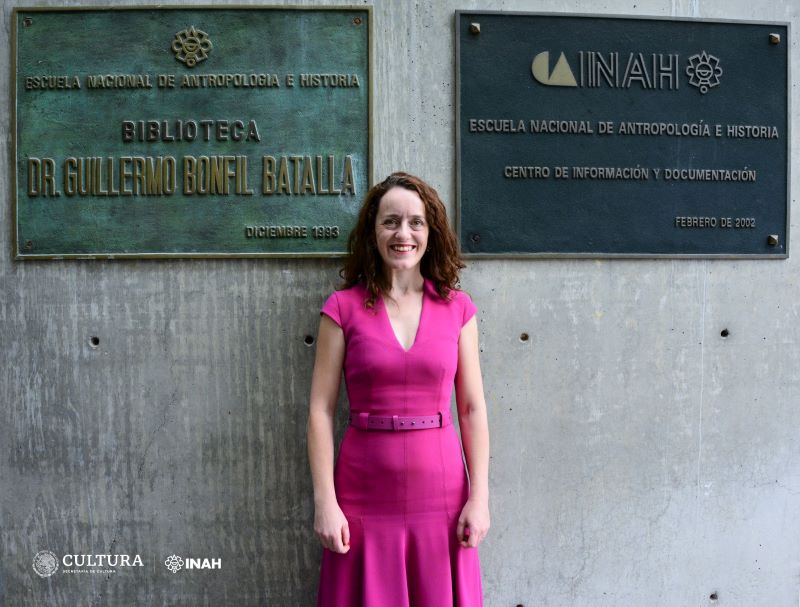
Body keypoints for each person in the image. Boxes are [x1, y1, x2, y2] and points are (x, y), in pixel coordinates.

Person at [307, 172, 490, 606]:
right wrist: (325, 502)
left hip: (442, 497)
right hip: (363, 495)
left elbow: (471, 408)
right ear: (373, 232)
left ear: (431, 231)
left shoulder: (458, 309)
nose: (402, 234)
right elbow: (320, 411)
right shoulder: (342, 308)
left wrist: (480, 498)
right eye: (390, 222)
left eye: (415, 222)